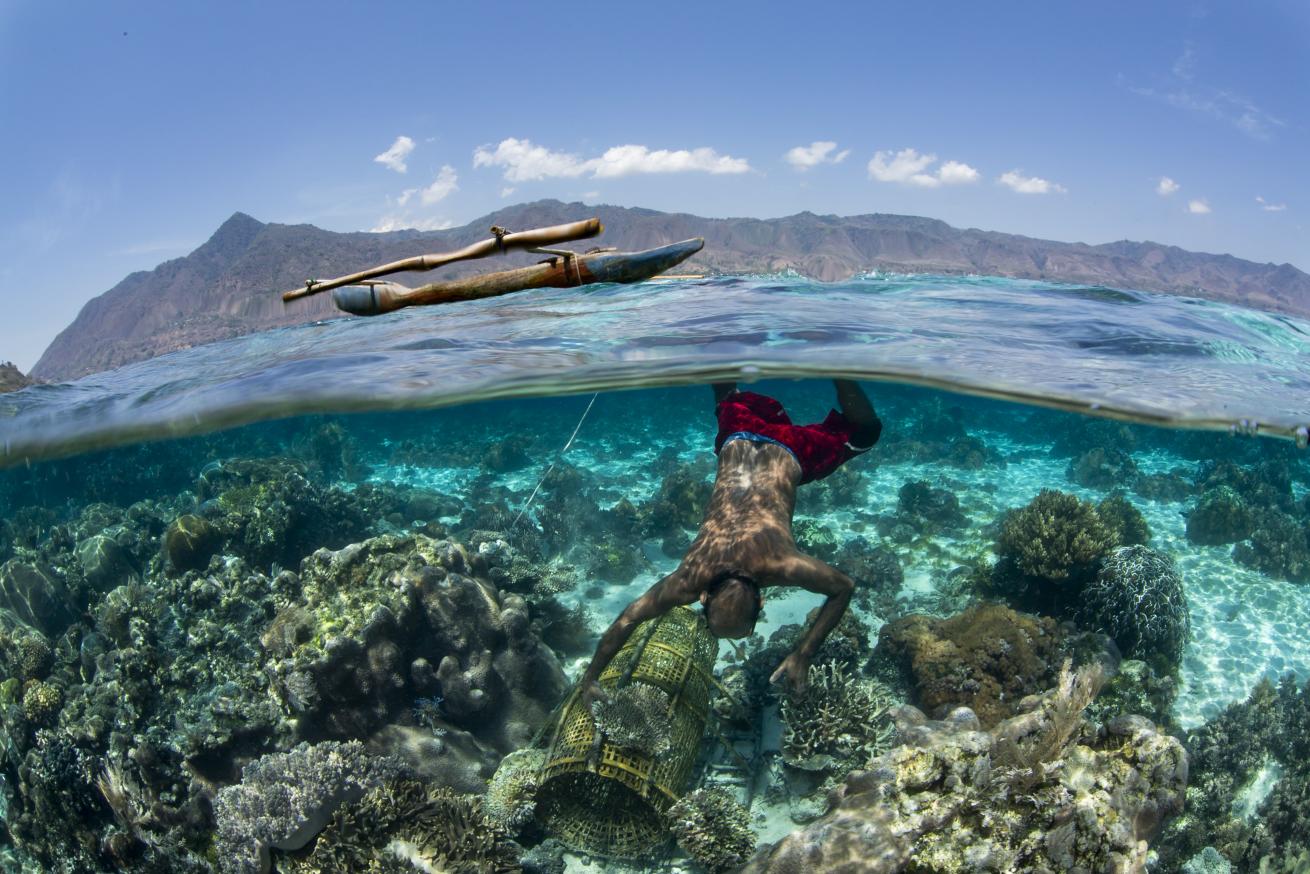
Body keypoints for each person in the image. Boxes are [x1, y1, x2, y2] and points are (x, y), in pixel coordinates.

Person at [580, 379, 882, 701]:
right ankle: (723, 348)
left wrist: (804, 654)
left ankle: (840, 375)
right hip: (738, 437)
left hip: (790, 449)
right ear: (705, 598)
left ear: (762, 602)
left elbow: (844, 587)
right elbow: (628, 617)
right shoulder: (690, 579)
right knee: (726, 394)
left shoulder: (782, 565)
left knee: (866, 432)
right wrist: (590, 678)